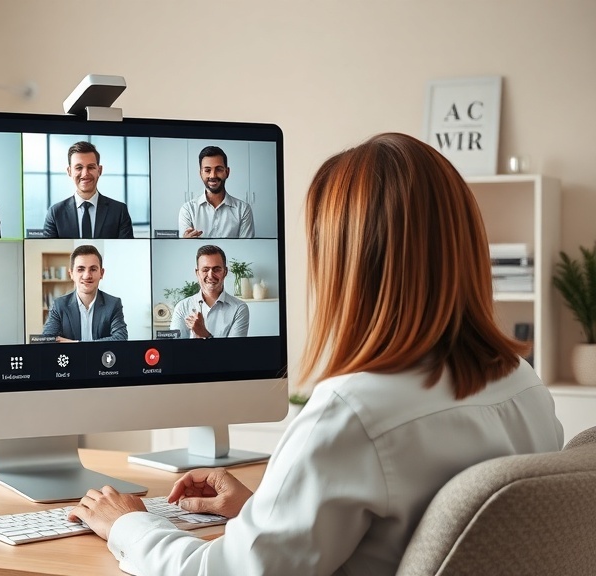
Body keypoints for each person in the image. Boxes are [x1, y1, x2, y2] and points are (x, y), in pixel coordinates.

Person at [68, 133, 564, 575]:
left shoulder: (354, 414)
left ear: (348, 262)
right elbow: (388, 535)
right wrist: (267, 510)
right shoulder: (525, 386)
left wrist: (130, 525)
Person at [42, 141, 134, 239]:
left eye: (91, 167)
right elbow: (47, 247)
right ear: (69, 171)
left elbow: (127, 247)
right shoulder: (55, 213)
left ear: (99, 170)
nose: (85, 174)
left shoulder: (119, 211)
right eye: (79, 168)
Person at [42, 244, 127, 342]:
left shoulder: (113, 304)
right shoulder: (59, 305)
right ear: (71, 274)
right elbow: (46, 339)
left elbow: (121, 338)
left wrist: (77, 344)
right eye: (80, 269)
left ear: (101, 273)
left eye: (93, 269)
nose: (87, 276)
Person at [169, 244, 249, 339]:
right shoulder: (182, 307)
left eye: (216, 269)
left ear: (225, 272)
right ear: (197, 273)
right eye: (205, 270)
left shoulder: (239, 308)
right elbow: (176, 347)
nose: (210, 275)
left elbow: (234, 348)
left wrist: (204, 334)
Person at [178, 145, 254, 238]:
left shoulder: (243, 210)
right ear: (200, 173)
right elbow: (185, 245)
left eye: (218, 169)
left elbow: (246, 245)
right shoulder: (188, 210)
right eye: (207, 170)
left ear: (227, 172)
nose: (213, 175)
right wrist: (185, 241)